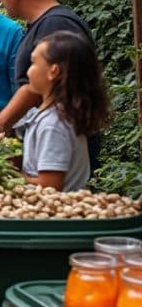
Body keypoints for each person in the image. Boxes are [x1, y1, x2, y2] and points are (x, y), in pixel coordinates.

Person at [0, 0, 96, 138]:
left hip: (58, 144)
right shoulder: (46, 23)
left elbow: (37, 87)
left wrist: (1, 121)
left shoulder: (55, 25)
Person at [18, 31, 108, 191]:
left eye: (33, 63)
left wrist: (9, 175)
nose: (28, 71)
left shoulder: (52, 125)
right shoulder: (52, 115)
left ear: (53, 71)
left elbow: (49, 186)